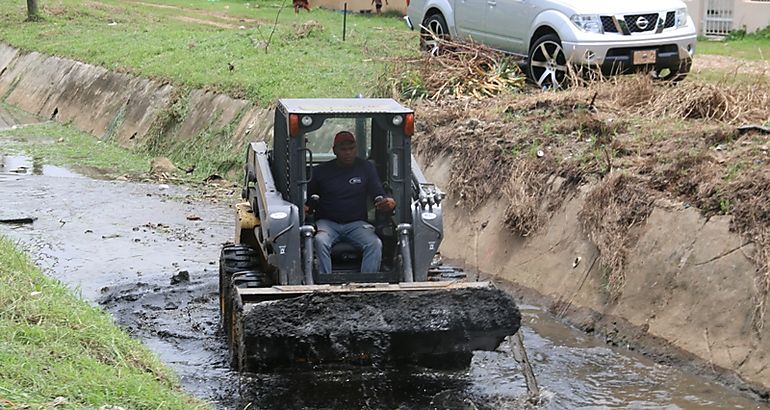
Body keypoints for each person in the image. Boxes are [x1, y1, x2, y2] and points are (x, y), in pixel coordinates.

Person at [306, 131, 396, 274]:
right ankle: (324, 283)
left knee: (374, 243)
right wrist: (305, 207)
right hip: (327, 223)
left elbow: (377, 192)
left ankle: (367, 283)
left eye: (351, 148)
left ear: (356, 149)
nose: (348, 153)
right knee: (320, 241)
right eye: (343, 149)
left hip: (356, 224)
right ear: (335, 150)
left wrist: (387, 202)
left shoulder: (366, 168)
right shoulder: (320, 172)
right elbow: (307, 197)